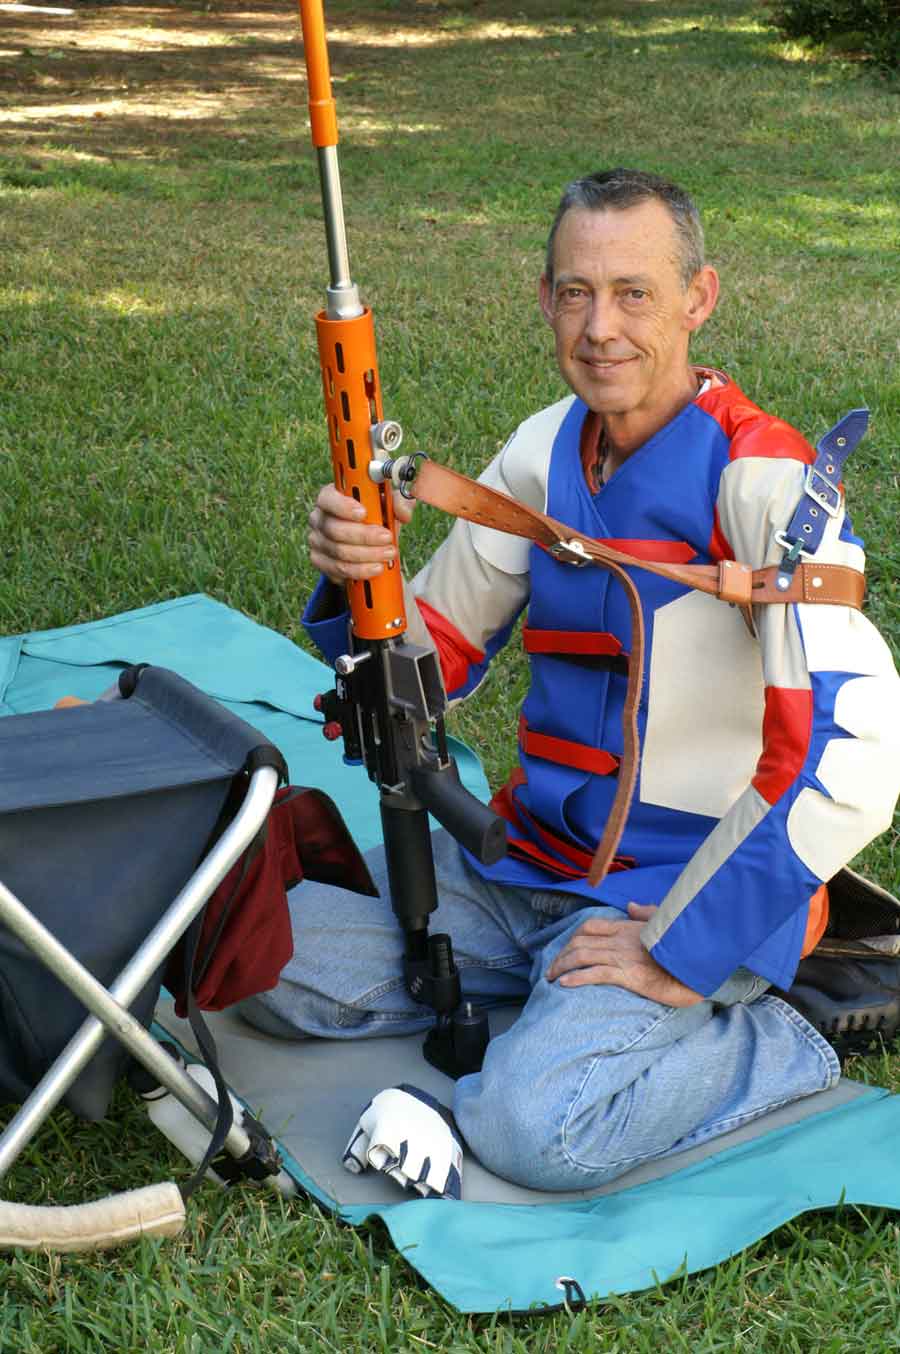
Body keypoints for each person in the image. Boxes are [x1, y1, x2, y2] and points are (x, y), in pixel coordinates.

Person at [241, 169, 900, 1193]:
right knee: (261, 958)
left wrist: (676, 950)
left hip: (678, 894)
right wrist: (353, 574)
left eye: (634, 292)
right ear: (545, 299)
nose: (601, 328)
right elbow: (432, 657)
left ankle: (784, 1027)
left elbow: (851, 748)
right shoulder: (543, 448)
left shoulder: (765, 484)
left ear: (700, 298)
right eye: (575, 293)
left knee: (531, 1125)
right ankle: (562, 996)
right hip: (523, 867)